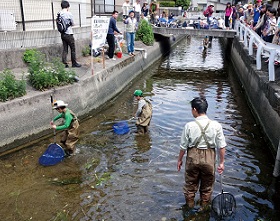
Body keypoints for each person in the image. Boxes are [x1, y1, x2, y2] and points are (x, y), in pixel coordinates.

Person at [177, 97, 226, 210]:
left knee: (190, 185)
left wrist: (179, 160)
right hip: (209, 158)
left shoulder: (189, 126)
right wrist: (222, 163)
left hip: (192, 157)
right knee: (207, 187)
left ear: (195, 109)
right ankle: (203, 209)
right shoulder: (216, 125)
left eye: (191, 109)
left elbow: (183, 147)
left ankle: (189, 208)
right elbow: (222, 146)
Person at [59, 1, 81, 68]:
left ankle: (64, 64)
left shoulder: (59, 13)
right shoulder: (69, 14)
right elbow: (73, 23)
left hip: (62, 34)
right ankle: (74, 63)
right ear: (67, 7)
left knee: (65, 49)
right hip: (69, 34)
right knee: (73, 49)